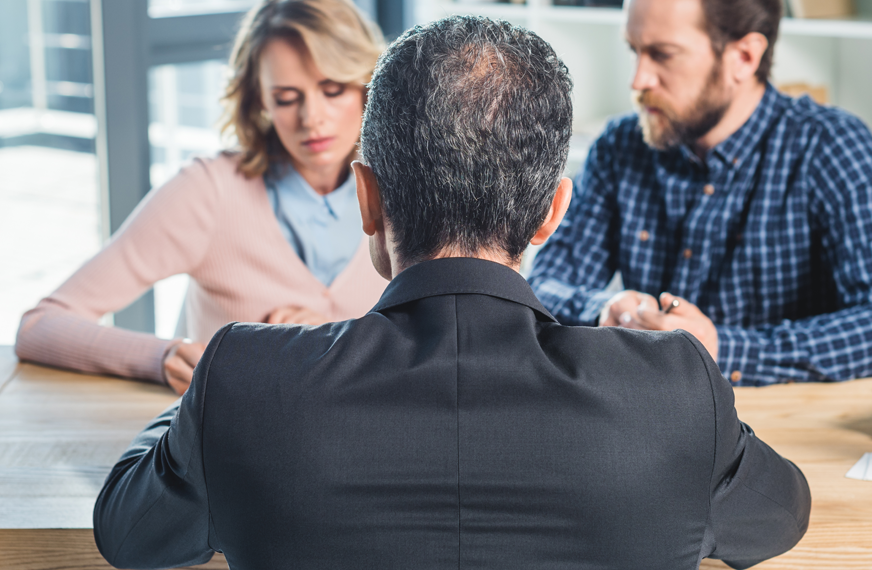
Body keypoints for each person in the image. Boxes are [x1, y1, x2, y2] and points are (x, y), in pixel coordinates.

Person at [93, 15, 811, 570]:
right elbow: (783, 512)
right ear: (551, 213)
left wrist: (197, 402)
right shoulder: (676, 389)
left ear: (366, 199)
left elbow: (127, 529)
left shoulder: (244, 380)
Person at [528, 0, 872, 385]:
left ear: (744, 57)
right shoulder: (620, 146)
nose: (638, 80)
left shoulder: (833, 148)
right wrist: (603, 310)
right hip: (654, 424)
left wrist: (724, 349)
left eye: (663, 55)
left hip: (784, 433)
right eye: (634, 51)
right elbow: (545, 286)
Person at [15, 0, 388, 395]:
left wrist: (325, 343)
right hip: (228, 448)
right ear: (259, 100)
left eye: (332, 90)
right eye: (286, 98)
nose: (311, 117)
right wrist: (162, 357)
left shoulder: (405, 192)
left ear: (368, 84)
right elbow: (40, 327)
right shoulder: (209, 191)